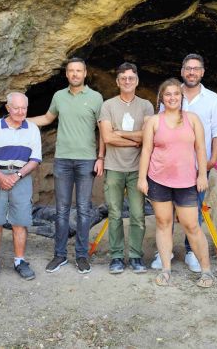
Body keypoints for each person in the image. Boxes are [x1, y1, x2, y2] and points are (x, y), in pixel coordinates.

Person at [150, 54, 217, 273]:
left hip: (197, 168)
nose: (191, 72)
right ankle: (165, 252)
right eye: (187, 68)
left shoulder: (212, 99)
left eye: (196, 69)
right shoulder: (172, 94)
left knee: (192, 216)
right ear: (182, 71)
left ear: (203, 72)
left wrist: (211, 161)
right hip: (168, 168)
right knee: (165, 214)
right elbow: (161, 130)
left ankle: (191, 252)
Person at [29, 57, 104, 274]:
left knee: (83, 210)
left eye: (78, 71)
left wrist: (101, 157)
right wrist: (20, 119)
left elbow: (104, 130)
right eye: (71, 71)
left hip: (86, 160)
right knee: (61, 210)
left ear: (85, 73)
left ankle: (81, 256)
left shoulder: (96, 98)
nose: (74, 74)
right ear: (66, 74)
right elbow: (46, 118)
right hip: (62, 160)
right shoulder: (59, 96)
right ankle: (59, 255)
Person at [138, 78, 214, 287]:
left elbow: (200, 148)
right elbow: (146, 150)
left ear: (182, 97)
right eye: (168, 94)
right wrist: (142, 178)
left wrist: (201, 175)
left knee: (192, 225)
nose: (172, 98)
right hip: (158, 179)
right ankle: (166, 269)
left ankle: (206, 270)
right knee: (163, 223)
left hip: (187, 180)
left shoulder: (193, 119)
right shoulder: (154, 121)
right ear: (161, 98)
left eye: (176, 94)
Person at [0, 92, 42, 286]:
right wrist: (0, 176)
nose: (20, 111)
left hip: (21, 177)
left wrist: (16, 176)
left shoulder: (32, 129)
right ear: (8, 108)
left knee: (20, 221)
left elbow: (35, 159)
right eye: (16, 108)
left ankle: (19, 261)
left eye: (24, 108)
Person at [98, 63, 154, 274]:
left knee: (138, 214)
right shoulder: (108, 105)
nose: (127, 81)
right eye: (123, 78)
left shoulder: (146, 105)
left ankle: (137, 256)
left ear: (137, 81)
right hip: (114, 167)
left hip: (138, 169)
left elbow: (148, 135)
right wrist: (135, 140)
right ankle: (117, 256)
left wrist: (120, 133)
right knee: (114, 213)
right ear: (117, 81)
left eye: (131, 78)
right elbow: (107, 137)